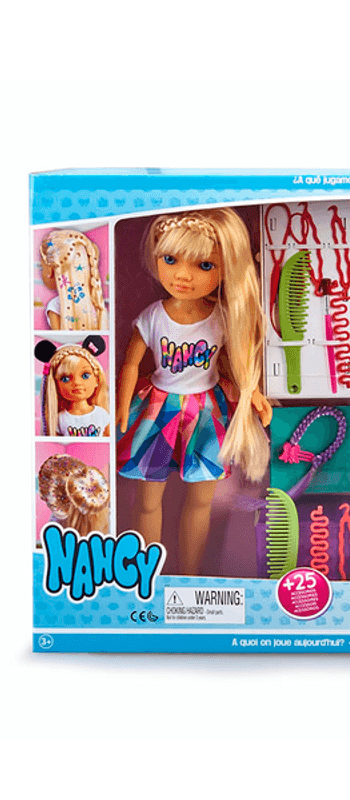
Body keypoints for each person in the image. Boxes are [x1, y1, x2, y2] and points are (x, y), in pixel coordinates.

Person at [116, 208, 271, 574]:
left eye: (204, 266)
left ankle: (191, 573)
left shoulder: (222, 317)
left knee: (201, 500)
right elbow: (130, 364)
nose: (183, 276)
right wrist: (121, 407)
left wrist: (253, 393)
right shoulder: (153, 316)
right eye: (170, 260)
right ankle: (145, 573)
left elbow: (237, 361)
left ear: (226, 268)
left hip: (205, 412)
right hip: (157, 408)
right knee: (147, 500)